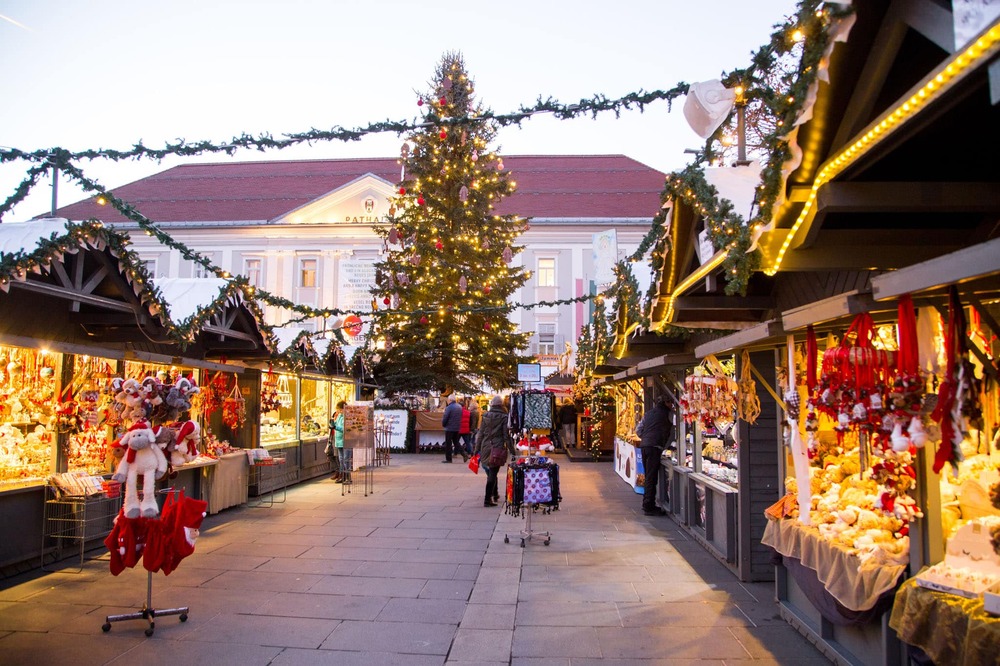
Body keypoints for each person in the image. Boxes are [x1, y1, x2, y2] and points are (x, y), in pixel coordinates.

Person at [635, 394, 673, 516]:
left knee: (648, 476)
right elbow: (672, 432)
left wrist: (645, 439)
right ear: (666, 403)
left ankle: (647, 503)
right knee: (651, 477)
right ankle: (648, 506)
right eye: (670, 403)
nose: (672, 405)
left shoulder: (649, 413)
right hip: (654, 447)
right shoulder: (668, 414)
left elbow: (638, 430)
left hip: (645, 446)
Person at [474, 395, 514, 507]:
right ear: (501, 405)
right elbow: (506, 436)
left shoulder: (485, 415)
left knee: (491, 471)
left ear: (492, 404)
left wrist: (476, 449)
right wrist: (512, 450)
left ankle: (495, 494)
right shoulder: (504, 417)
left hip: (486, 446)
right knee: (493, 472)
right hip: (497, 447)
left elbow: (480, 434)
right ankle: (487, 499)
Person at [441, 394, 466, 463]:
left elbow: (445, 417)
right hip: (457, 427)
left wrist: (443, 424)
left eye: (448, 400)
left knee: (448, 443)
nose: (448, 401)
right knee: (456, 442)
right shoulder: (459, 407)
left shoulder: (449, 407)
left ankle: (448, 459)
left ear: (450, 400)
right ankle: (464, 453)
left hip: (449, 427)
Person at [329, 400, 348, 483]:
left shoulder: (346, 417)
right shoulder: (339, 416)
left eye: (340, 410)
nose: (338, 411)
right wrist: (332, 424)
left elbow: (345, 429)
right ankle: (341, 474)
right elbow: (336, 424)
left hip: (345, 440)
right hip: (338, 440)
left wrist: (335, 427)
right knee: (341, 459)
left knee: (345, 459)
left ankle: (346, 475)